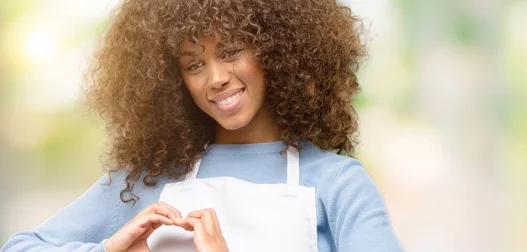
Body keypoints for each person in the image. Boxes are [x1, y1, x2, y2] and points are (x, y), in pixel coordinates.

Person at [1, 0, 403, 251]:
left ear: (278, 51)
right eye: (194, 64)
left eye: (230, 52)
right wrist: (107, 250)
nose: (216, 78)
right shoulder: (145, 181)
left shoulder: (338, 184)